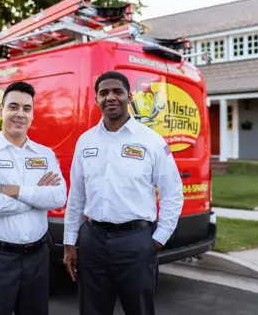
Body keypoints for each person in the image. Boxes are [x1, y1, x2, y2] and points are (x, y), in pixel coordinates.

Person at [63, 71, 184, 315]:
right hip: (93, 241)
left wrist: (158, 239)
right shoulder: (85, 141)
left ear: (129, 96)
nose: (111, 97)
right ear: (96, 99)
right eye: (104, 93)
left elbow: (173, 194)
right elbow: (76, 197)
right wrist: (69, 242)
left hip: (136, 241)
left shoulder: (151, 141)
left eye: (117, 92)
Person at [0, 81, 67, 315]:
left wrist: (14, 189)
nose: (20, 114)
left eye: (26, 108)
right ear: (1, 110)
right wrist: (36, 196)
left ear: (32, 115)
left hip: (37, 259)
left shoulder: (45, 155)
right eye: (13, 107)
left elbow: (58, 197)